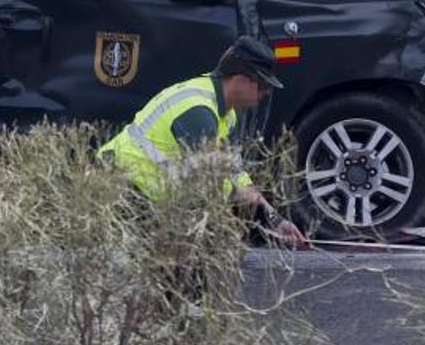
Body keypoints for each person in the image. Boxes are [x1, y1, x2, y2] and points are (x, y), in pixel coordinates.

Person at [101, 36, 308, 248]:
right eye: (263, 85)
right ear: (240, 79)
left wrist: (275, 219)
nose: (266, 93)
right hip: (119, 193)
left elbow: (234, 175)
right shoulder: (198, 112)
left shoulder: (227, 114)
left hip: (140, 200)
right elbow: (208, 187)